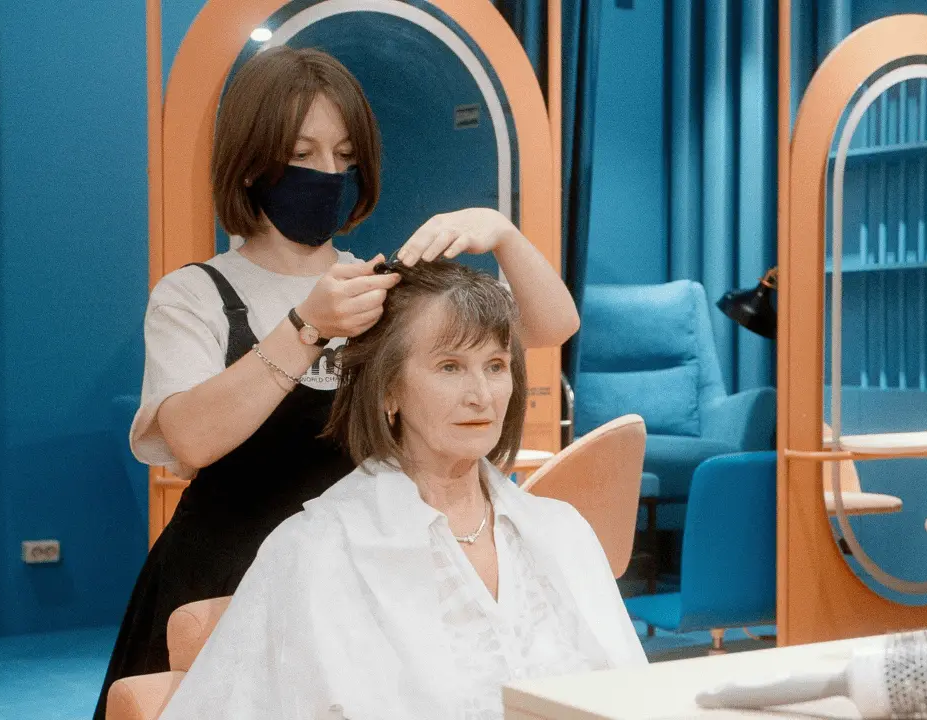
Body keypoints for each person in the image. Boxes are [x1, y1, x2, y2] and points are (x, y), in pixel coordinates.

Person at [95, 47, 579, 718]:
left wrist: (501, 234)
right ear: (253, 161)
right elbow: (190, 440)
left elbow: (552, 324)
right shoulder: (196, 295)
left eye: (345, 156)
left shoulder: (380, 287)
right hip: (224, 568)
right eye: (303, 154)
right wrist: (304, 327)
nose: (328, 174)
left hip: (365, 572)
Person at [156, 260, 644, 720]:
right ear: (388, 390)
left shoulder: (562, 532)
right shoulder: (316, 549)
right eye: (450, 367)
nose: (481, 394)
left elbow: (632, 697)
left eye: (495, 366)